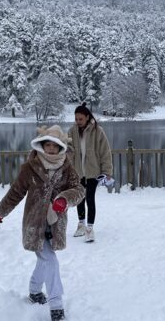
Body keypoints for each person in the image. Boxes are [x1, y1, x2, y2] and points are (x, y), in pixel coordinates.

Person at [0, 125, 85, 321]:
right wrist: (1, 212)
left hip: (55, 224)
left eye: (55, 146)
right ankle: (56, 306)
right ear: (41, 145)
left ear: (61, 148)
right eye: (48, 145)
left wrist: (64, 199)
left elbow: (79, 189)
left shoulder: (67, 167)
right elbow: (16, 192)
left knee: (45, 259)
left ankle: (35, 291)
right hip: (34, 225)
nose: (51, 149)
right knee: (50, 260)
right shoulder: (29, 168)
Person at [68, 102, 113, 243]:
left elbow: (105, 152)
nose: (78, 122)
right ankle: (81, 224)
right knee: (79, 199)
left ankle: (89, 228)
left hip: (93, 171)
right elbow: (67, 150)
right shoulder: (72, 131)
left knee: (89, 198)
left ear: (87, 117)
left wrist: (107, 171)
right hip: (77, 171)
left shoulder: (97, 131)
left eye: (80, 119)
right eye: (76, 119)